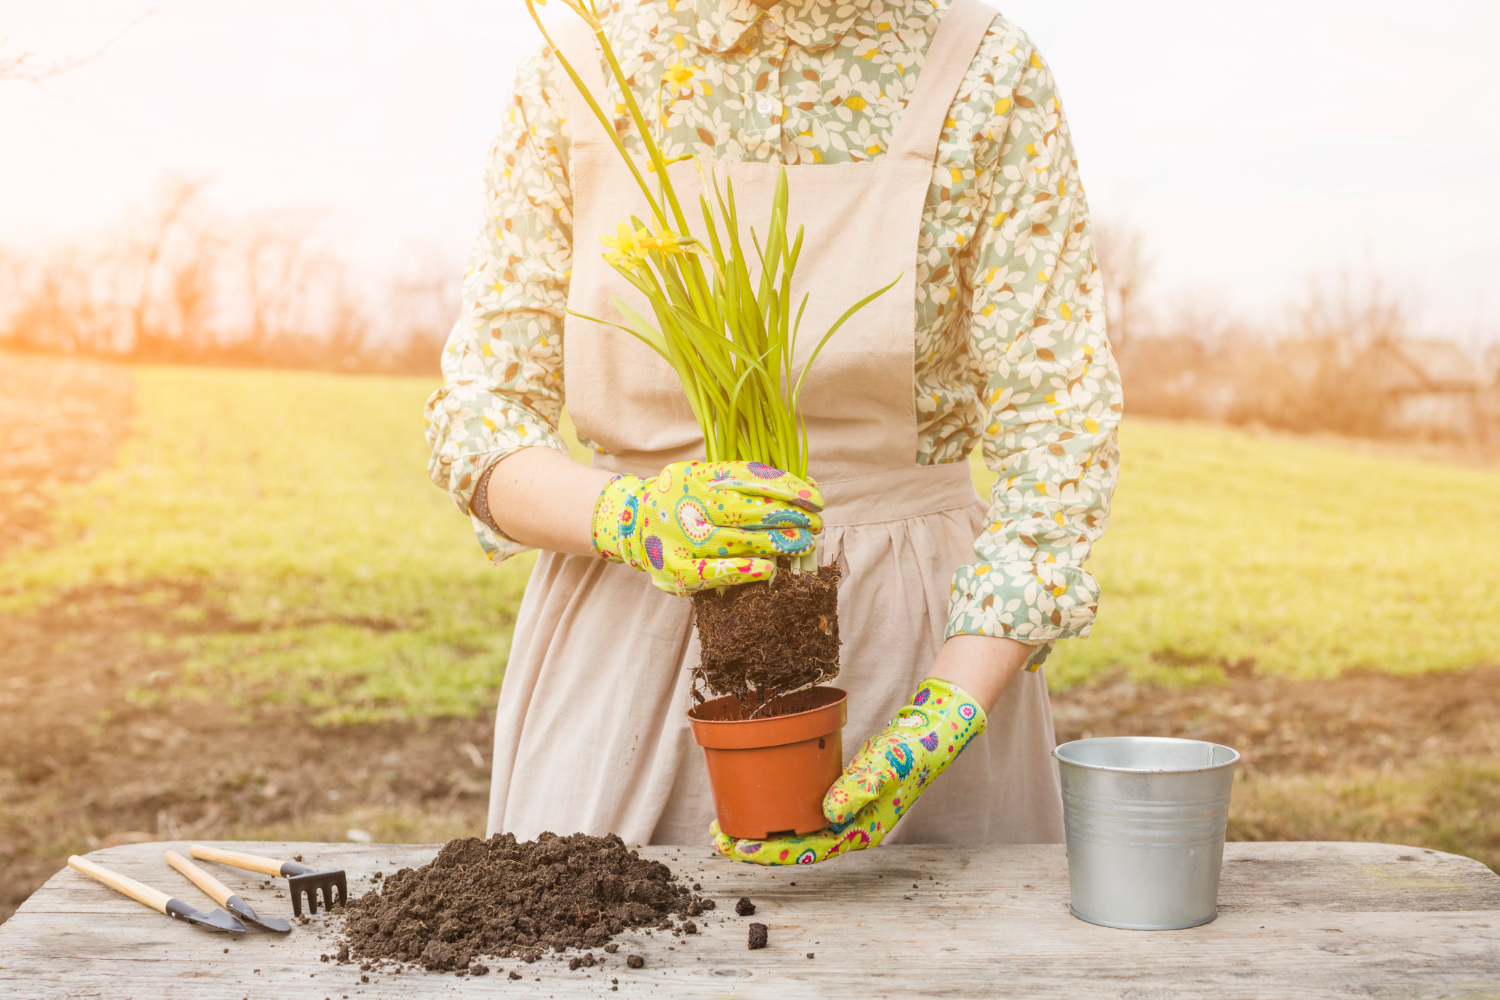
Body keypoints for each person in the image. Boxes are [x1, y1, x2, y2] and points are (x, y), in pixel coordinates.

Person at [425, 0, 1121, 861]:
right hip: (623, 653)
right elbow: (480, 413)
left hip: (921, 641)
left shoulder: (983, 69)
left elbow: (1060, 426)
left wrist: (950, 704)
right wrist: (629, 516)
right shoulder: (578, 66)